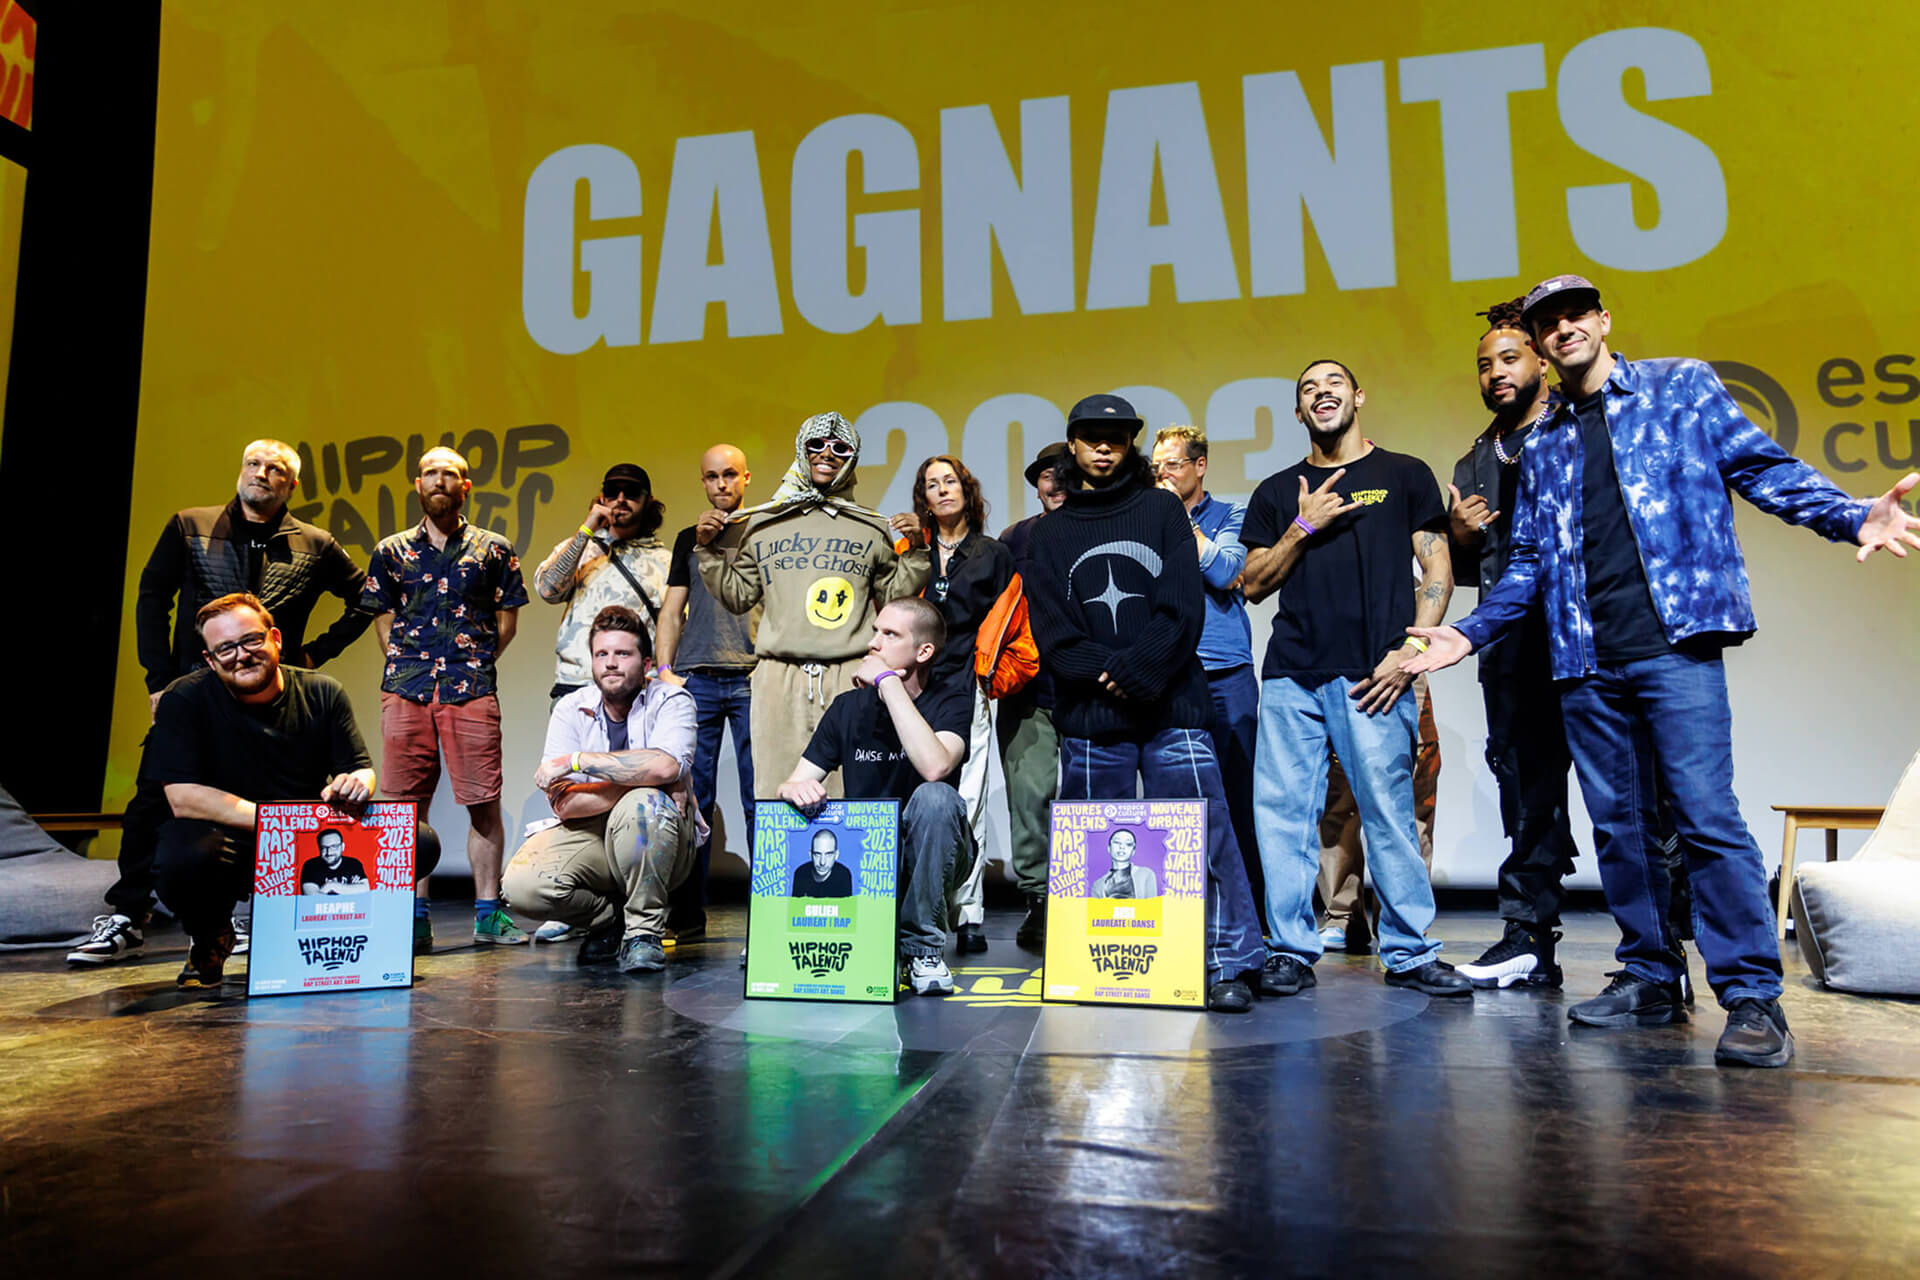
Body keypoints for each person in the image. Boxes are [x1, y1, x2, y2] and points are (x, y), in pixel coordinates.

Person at [1404, 274, 1920, 1067]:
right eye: (1549, 322)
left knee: (1706, 818)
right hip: (1583, 660)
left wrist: (1852, 516)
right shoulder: (1544, 441)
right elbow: (1529, 560)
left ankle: (1751, 996)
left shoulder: (1680, 388)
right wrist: (1468, 635)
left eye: (1577, 313)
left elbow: (1763, 470)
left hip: (1674, 645)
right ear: (1541, 343)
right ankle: (1650, 976)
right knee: (1621, 829)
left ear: (1604, 320)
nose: (1565, 328)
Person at [71, 439, 374, 966]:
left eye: (275, 469)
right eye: (253, 464)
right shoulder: (190, 525)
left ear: (290, 485)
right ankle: (129, 914)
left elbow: (366, 597)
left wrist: (311, 654)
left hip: (268, 690)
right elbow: (152, 597)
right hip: (195, 691)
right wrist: (159, 680)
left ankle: (241, 913)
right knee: (153, 798)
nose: (261, 474)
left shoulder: (315, 543)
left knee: (269, 792)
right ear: (241, 469)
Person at [1023, 393, 1266, 1013]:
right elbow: (1053, 633)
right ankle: (1093, 963)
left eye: (1116, 436)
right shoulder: (1049, 533)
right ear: (1072, 444)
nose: (1104, 446)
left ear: (1131, 443)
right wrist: (1114, 673)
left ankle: (1230, 962)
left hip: (1172, 706)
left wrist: (1139, 672)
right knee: (1091, 847)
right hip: (1091, 717)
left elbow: (1183, 607)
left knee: (1207, 833)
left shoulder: (1161, 509)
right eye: (1091, 436)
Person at [1238, 360, 1469, 999]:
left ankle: (1411, 952)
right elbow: (1252, 583)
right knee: (1284, 819)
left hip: (1377, 675)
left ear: (1358, 396)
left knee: (1390, 814)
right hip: (1292, 676)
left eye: (1333, 383)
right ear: (1298, 412)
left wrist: (1412, 651)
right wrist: (1302, 525)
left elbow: (1438, 570)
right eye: (1308, 388)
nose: (1322, 393)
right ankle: (1290, 949)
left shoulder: (1404, 474)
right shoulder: (1278, 490)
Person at [145, 593, 440, 988]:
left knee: (418, 841)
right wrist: (278, 824)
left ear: (275, 638)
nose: (241, 655)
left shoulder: (323, 691)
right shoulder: (184, 698)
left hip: (311, 839)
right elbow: (182, 796)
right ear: (210, 659)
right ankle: (212, 934)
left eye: (251, 640)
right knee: (180, 857)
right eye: (225, 648)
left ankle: (331, 936)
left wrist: (356, 784)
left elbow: (358, 767)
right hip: (234, 835)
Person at [1442, 298, 1580, 987]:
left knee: (1636, 796)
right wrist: (1459, 538)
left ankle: (1659, 955)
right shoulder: (1474, 460)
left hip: (1588, 641)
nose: (1495, 372)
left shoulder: (1582, 427)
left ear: (1542, 360)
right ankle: (1529, 941)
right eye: (1483, 364)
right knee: (1526, 796)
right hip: (1511, 652)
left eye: (1508, 358)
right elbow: (1482, 570)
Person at [697, 413, 927, 804]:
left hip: (849, 675)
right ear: (801, 450)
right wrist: (708, 551)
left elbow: (892, 596)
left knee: (849, 794)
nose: (827, 454)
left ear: (852, 458)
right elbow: (738, 595)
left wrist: (918, 549)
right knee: (775, 791)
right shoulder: (765, 522)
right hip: (778, 677)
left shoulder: (868, 525)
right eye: (816, 445)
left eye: (841, 448)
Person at [360, 446, 529, 950]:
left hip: (470, 688)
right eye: (430, 473)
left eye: (450, 474)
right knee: (404, 809)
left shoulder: (493, 548)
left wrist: (470, 661)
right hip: (406, 689)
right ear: (418, 485)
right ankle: (412, 917)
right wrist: (407, 662)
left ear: (465, 486)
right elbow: (382, 616)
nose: (439, 481)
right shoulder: (391, 550)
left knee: (483, 801)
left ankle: (487, 914)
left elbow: (507, 621)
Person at [775, 598, 976, 996]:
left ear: (923, 652)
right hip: (870, 861)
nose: (874, 644)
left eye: (890, 634)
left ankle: (923, 950)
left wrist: (888, 683)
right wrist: (793, 789)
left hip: (935, 857)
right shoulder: (848, 707)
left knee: (936, 797)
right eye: (875, 632)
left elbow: (935, 766)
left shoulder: (951, 700)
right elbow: (791, 783)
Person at [501, 606, 703, 974]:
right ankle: (609, 920)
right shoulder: (570, 708)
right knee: (521, 886)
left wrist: (578, 762)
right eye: (601, 654)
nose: (610, 663)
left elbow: (666, 766)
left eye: (622, 653)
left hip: (660, 837)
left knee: (645, 806)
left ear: (646, 663)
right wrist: (646, 777)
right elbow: (564, 802)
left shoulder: (672, 700)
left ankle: (643, 933)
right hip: (591, 832)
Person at [1150, 425, 1261, 918]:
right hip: (1169, 673)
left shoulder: (1231, 513)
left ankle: (1249, 913)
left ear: (1200, 466)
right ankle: (1184, 912)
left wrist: (1180, 520)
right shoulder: (1146, 518)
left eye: (1172, 465)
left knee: (1238, 793)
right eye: (1156, 467)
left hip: (1225, 671)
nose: (1162, 475)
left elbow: (1226, 571)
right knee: (1175, 795)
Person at [655, 445, 758, 944]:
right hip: (697, 677)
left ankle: (770, 914)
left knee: (762, 798)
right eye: (712, 476)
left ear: (746, 478)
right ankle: (687, 916)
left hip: (754, 676)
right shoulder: (686, 540)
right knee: (691, 800)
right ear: (703, 482)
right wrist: (664, 671)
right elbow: (671, 610)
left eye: (730, 475)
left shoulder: (765, 532)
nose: (721, 484)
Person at [914, 454, 1014, 954]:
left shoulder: (993, 554)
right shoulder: (912, 553)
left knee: (969, 797)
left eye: (950, 481)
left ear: (966, 489)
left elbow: (1008, 622)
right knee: (918, 796)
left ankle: (969, 912)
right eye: (932, 484)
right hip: (913, 687)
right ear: (924, 499)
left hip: (968, 684)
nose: (942, 489)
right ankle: (918, 909)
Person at [997, 441, 1068, 948]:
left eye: (1065, 473)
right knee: (1029, 799)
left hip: (1092, 689)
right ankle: (1040, 900)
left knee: (1090, 801)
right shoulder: (1013, 539)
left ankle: (1086, 898)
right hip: (1028, 691)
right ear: (1037, 486)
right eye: (1047, 475)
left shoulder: (1105, 525)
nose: (1056, 483)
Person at [1313, 682, 1441, 955]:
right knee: (1339, 801)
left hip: (1401, 674)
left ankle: (1402, 921)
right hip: (1344, 676)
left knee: (1407, 808)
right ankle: (1343, 916)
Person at [533, 463, 671, 706]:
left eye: (631, 492)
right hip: (576, 684)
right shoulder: (582, 548)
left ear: (648, 501)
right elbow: (548, 591)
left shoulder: (664, 561)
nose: (621, 499)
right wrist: (587, 529)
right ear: (601, 498)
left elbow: (676, 628)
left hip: (638, 690)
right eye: (612, 492)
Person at [1091, 829, 1158, 898]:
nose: (1122, 847)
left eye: (1128, 844)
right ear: (1109, 848)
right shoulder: (1098, 885)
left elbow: (1152, 904)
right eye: (1117, 842)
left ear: (1133, 851)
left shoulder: (1146, 874)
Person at [299, 828, 369, 895]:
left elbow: (365, 889)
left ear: (342, 847)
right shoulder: (310, 866)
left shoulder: (353, 864)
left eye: (334, 847)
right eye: (324, 848)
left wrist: (331, 886)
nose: (329, 852)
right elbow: (313, 897)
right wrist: (350, 889)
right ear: (319, 848)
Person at [790, 829, 854, 898]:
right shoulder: (801, 873)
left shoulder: (843, 875)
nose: (822, 862)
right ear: (810, 855)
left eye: (828, 854)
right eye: (817, 854)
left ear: (836, 855)